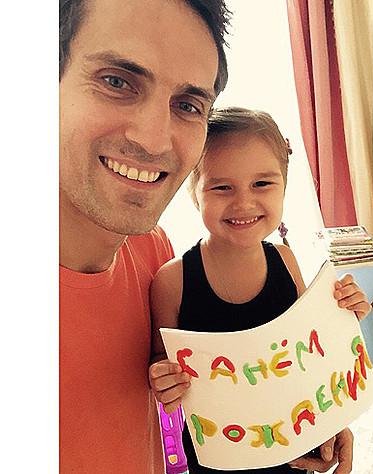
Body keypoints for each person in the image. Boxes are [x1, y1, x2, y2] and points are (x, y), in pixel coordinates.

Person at [149, 107, 371, 473]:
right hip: (220, 453)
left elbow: (311, 349)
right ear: (194, 193)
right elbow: (162, 358)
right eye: (222, 187)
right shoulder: (172, 281)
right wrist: (162, 375)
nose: (244, 203)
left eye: (262, 184)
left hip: (293, 435)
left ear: (284, 187)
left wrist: (344, 316)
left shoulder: (285, 260)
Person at [59, 0, 231, 472]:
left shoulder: (153, 250)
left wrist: (306, 413)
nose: (154, 140)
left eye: (188, 105)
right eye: (116, 82)